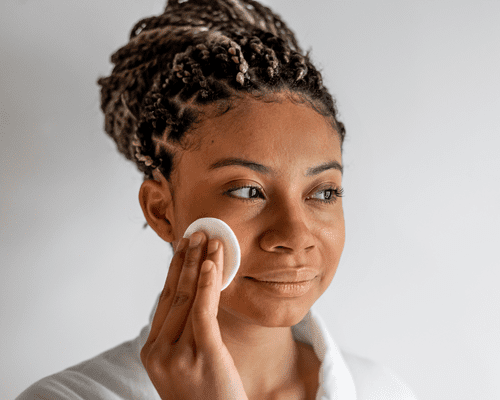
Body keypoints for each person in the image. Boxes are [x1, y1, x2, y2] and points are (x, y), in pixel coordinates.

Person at [16, 0, 418, 399]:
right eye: (247, 191)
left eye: (324, 192)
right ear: (161, 210)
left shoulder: (385, 391)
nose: (295, 235)